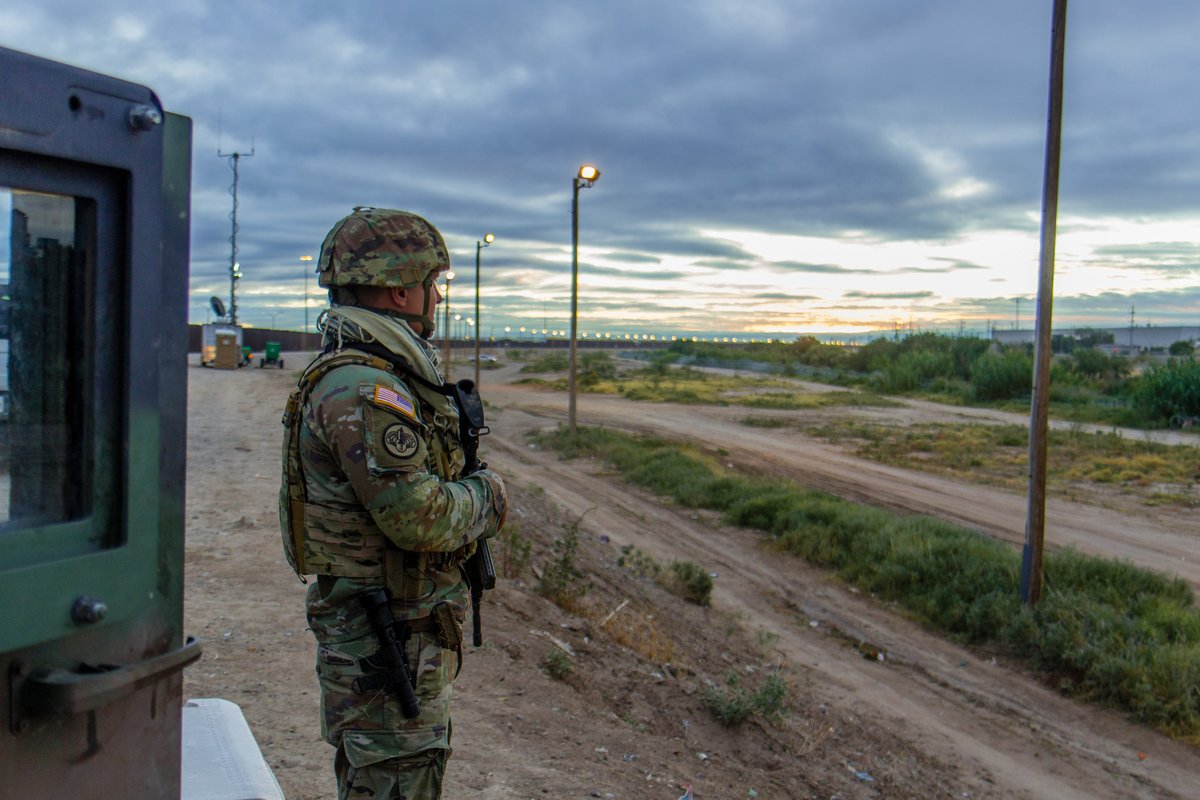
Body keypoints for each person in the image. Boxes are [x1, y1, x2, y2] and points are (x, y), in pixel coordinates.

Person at [279, 207, 508, 799]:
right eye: (433, 283)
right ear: (402, 290)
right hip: (389, 640)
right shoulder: (363, 388)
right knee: (396, 780)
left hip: (396, 632)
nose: (437, 297)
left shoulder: (376, 372)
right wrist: (489, 497)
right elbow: (419, 516)